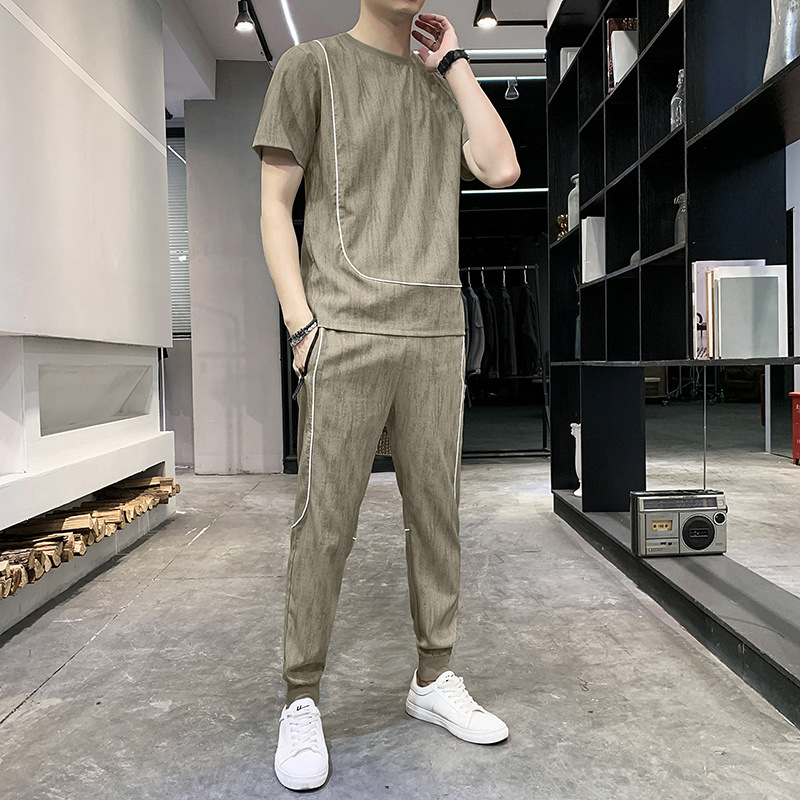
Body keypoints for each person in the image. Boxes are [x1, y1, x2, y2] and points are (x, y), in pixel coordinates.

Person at [252, 0, 520, 790]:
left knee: (437, 516)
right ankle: (301, 697)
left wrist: (456, 63)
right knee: (324, 522)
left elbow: (501, 168)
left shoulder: (441, 86)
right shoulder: (311, 68)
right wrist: (302, 326)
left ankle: (433, 678)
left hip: (435, 333)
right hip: (344, 329)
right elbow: (274, 206)